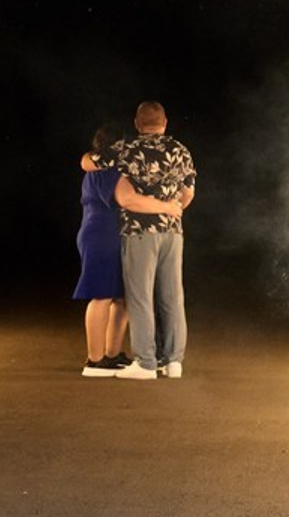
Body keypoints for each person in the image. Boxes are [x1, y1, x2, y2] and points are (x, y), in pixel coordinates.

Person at [90, 101, 196, 381]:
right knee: (172, 296)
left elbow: (90, 162)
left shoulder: (128, 148)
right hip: (173, 232)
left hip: (139, 232)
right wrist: (174, 207)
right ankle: (173, 362)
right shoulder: (181, 150)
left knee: (139, 297)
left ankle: (146, 363)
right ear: (165, 123)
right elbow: (189, 193)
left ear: (137, 124)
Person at [74, 123, 181, 377]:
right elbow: (128, 199)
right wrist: (167, 207)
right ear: (118, 148)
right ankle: (94, 359)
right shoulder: (109, 171)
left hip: (112, 235)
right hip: (102, 236)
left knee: (121, 297)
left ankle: (111, 355)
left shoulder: (104, 166)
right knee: (101, 295)